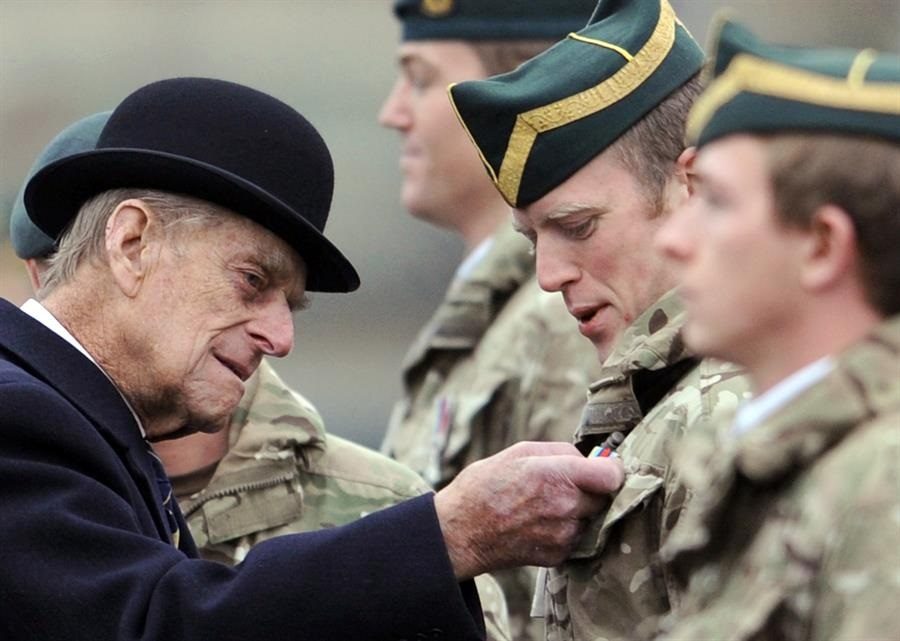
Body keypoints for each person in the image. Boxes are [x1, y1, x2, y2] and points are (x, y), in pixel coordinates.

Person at [0, 77, 625, 640]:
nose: (280, 337)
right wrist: (449, 534)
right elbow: (156, 623)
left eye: (290, 305)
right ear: (133, 243)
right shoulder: (19, 417)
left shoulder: (84, 422)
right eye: (251, 280)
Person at [448, 1, 751, 639]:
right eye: (532, 239)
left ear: (692, 186)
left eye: (578, 226)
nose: (548, 274)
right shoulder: (656, 398)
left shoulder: (733, 414)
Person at [651, 20, 900, 640]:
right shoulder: (791, 458)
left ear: (822, 245)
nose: (673, 239)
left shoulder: (882, 483)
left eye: (716, 202)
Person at [378, 3, 600, 636]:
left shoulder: (561, 313)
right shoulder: (492, 311)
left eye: (420, 79)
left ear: (519, 94)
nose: (393, 112)